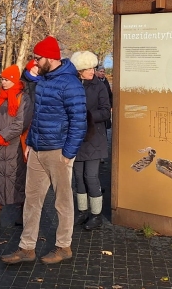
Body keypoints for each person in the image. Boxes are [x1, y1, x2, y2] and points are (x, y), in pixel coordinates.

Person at [1, 36, 87, 265]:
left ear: (50, 58)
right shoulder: (45, 79)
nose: (35, 62)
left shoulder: (70, 84)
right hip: (37, 148)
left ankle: (63, 246)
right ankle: (26, 248)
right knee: (32, 200)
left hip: (58, 151)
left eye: (38, 58)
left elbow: (79, 121)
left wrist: (68, 153)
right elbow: (37, 113)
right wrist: (30, 142)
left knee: (63, 201)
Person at [0, 64, 33, 229]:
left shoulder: (23, 98)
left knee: (18, 179)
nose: (3, 82)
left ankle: (21, 214)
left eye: (7, 79)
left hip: (16, 145)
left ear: (14, 80)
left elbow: (22, 122)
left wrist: (4, 136)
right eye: (2, 79)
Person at [70, 51, 110, 230]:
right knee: (78, 177)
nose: (92, 71)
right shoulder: (72, 85)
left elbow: (105, 110)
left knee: (91, 176)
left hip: (94, 137)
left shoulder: (99, 86)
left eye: (93, 67)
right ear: (79, 70)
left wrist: (86, 116)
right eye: (88, 68)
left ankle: (96, 215)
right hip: (76, 138)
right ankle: (82, 211)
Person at [96, 66, 113, 131]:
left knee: (105, 125)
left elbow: (109, 94)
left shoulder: (106, 81)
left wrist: (111, 105)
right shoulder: (95, 82)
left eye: (103, 72)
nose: (103, 73)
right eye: (101, 71)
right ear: (97, 72)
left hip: (105, 106)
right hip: (98, 107)